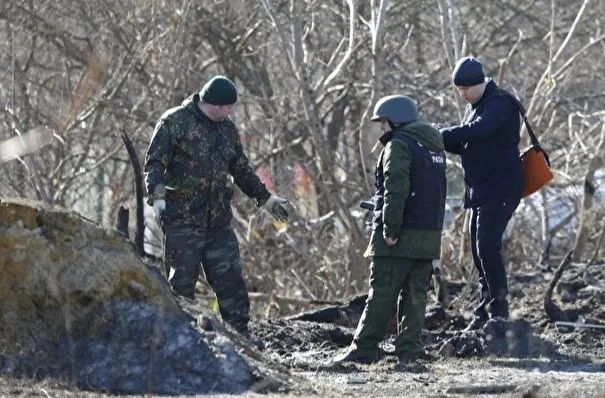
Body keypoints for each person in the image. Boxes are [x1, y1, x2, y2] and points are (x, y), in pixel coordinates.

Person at [144, 75, 289, 338]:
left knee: (231, 282)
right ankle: (179, 340)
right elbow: (154, 163)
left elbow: (241, 170)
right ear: (215, 104)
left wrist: (266, 199)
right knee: (181, 286)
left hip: (218, 222)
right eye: (228, 107)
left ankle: (241, 338)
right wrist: (158, 197)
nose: (231, 111)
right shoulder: (174, 122)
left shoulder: (226, 129)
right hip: (182, 220)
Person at [334, 95, 446, 364]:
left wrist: (390, 229)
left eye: (383, 122)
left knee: (382, 293)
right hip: (428, 236)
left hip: (401, 236)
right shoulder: (434, 147)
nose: (381, 128)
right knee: (416, 295)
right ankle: (409, 349)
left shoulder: (398, 146)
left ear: (395, 120)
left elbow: (397, 190)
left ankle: (363, 349)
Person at [440, 56, 524, 331]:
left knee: (487, 247)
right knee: (479, 253)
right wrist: (437, 140)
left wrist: (439, 134)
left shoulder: (499, 102)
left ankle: (499, 313)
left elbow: (479, 131)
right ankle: (484, 313)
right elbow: (465, 142)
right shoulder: (475, 106)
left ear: (479, 83)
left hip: (501, 187)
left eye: (466, 89)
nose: (462, 94)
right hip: (480, 190)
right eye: (459, 89)